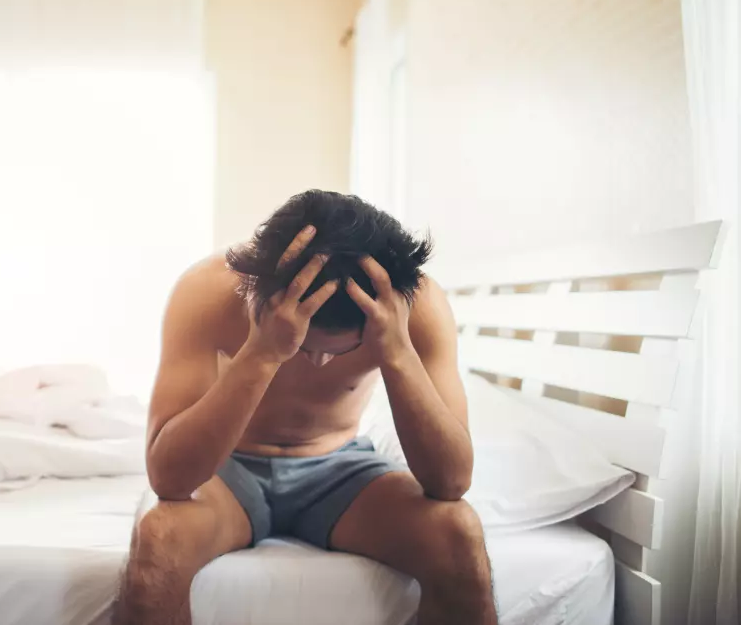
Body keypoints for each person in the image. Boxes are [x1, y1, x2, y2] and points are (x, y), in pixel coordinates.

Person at [112, 190, 497, 625]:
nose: (317, 363)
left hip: (340, 472)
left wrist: (396, 352)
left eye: (340, 352)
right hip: (226, 471)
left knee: (459, 532)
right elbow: (170, 479)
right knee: (159, 537)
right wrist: (263, 352)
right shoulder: (207, 289)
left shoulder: (413, 305)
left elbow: (450, 482)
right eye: (305, 347)